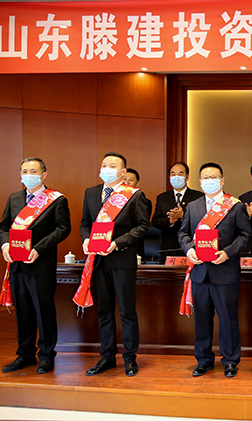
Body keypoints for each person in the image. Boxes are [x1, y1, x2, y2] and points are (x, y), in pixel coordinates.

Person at [0, 157, 71, 374]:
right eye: (24, 171)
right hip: (17, 266)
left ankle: (47, 355)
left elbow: (62, 229)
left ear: (44, 174)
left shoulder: (56, 200)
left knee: (44, 311)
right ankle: (25, 354)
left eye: (33, 171)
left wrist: (38, 249)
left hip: (41, 265)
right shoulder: (14, 198)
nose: (28, 175)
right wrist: (5, 245)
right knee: (23, 312)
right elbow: (3, 227)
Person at [178, 162, 252, 378]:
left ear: (222, 180)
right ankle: (203, 360)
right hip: (200, 272)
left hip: (225, 271)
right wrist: (189, 249)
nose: (209, 181)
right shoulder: (193, 206)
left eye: (214, 177)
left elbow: (245, 236)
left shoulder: (235, 206)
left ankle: (230, 360)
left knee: (228, 319)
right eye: (205, 178)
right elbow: (183, 234)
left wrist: (228, 253)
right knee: (201, 319)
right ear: (200, 181)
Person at [80, 152, 150, 377]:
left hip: (122, 259)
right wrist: (86, 239)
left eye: (112, 166)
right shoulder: (91, 193)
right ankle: (107, 356)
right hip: (98, 261)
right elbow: (85, 223)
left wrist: (117, 244)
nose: (106, 169)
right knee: (104, 310)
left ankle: (130, 357)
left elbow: (142, 227)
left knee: (127, 310)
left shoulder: (134, 195)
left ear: (122, 172)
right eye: (104, 165)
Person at [152, 162, 204, 260]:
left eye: (180, 174)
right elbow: (156, 221)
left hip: (191, 248)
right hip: (168, 248)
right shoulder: (162, 197)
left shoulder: (198, 197)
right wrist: (170, 221)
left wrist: (183, 216)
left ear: (187, 177)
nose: (176, 177)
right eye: (173, 174)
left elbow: (203, 221)